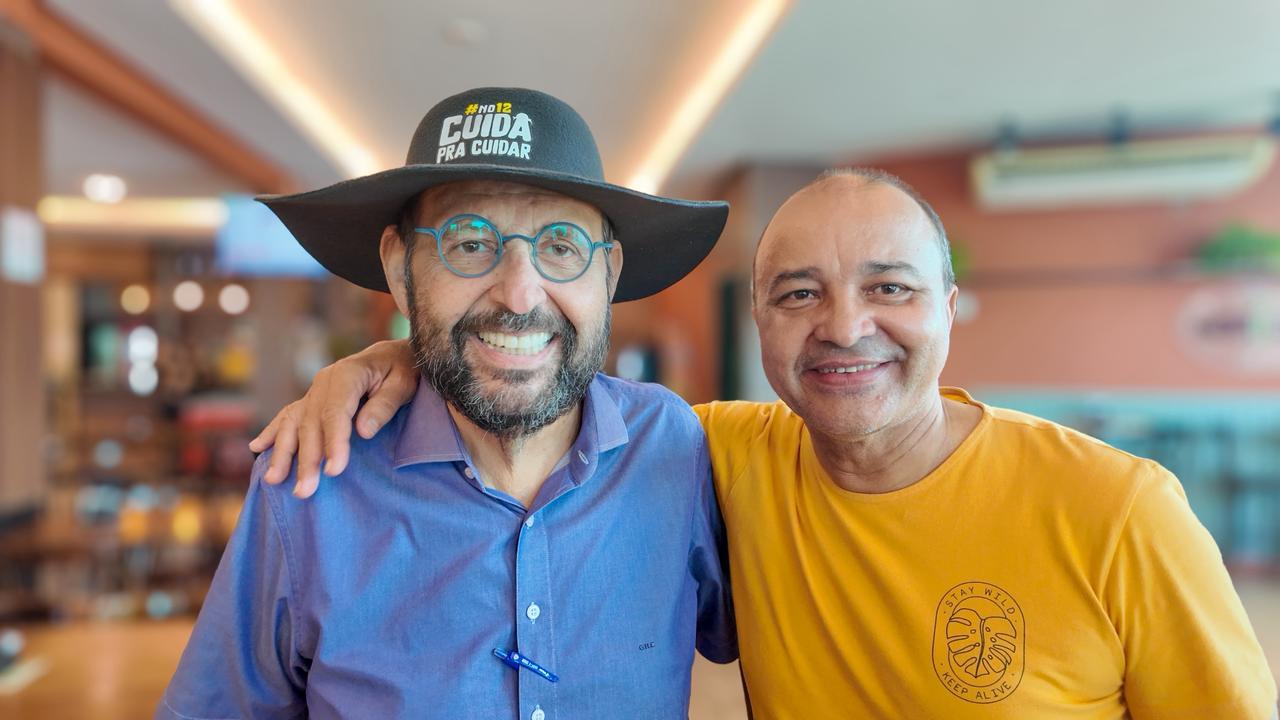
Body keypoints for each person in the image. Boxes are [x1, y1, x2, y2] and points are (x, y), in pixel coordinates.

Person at [257, 166, 1280, 718]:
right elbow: (532, 384)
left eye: (889, 287)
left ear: (948, 306)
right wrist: (396, 358)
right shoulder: (692, 451)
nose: (844, 326)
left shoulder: (1119, 508)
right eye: (798, 294)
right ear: (760, 324)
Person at [158, 87, 736, 720]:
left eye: (561, 246)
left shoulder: (672, 444)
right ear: (400, 270)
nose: (519, 295)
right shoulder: (310, 482)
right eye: (469, 243)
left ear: (609, 274)